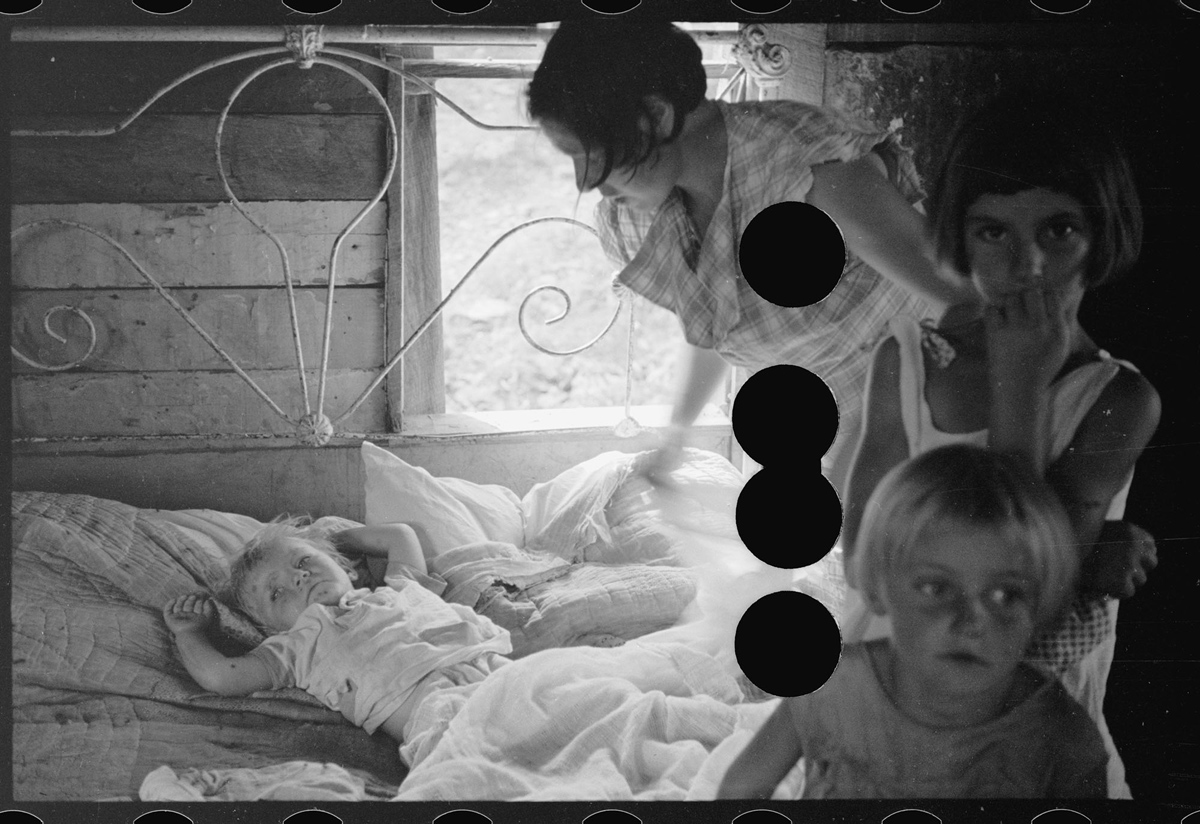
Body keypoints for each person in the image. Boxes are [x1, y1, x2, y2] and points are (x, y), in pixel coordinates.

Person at [837, 87, 1161, 797]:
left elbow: (1027, 599)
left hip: (1027, 713)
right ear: (959, 234)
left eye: (1059, 231)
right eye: (994, 233)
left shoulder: (1119, 399)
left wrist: (1024, 385)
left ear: (1101, 234)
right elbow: (861, 549)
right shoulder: (908, 360)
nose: (1029, 266)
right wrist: (1078, 557)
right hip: (900, 668)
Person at [526, 21, 975, 490]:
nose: (584, 182)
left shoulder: (806, 167)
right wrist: (676, 437)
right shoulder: (646, 211)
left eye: (589, 153)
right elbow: (716, 321)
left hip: (927, 431)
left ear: (655, 118)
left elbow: (964, 298)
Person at [718, 445, 1108, 799]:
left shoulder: (1062, 740)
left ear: (1042, 606)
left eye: (1005, 595)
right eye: (936, 588)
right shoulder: (830, 687)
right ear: (877, 588)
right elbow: (738, 792)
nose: (970, 621)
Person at [162, 519, 512, 758]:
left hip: (497, 673)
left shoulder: (398, 588)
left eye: (303, 562)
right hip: (440, 716)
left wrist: (331, 541)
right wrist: (190, 633)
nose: (298, 578)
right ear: (272, 630)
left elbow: (400, 536)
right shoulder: (297, 647)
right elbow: (223, 676)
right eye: (276, 593)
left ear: (347, 569)